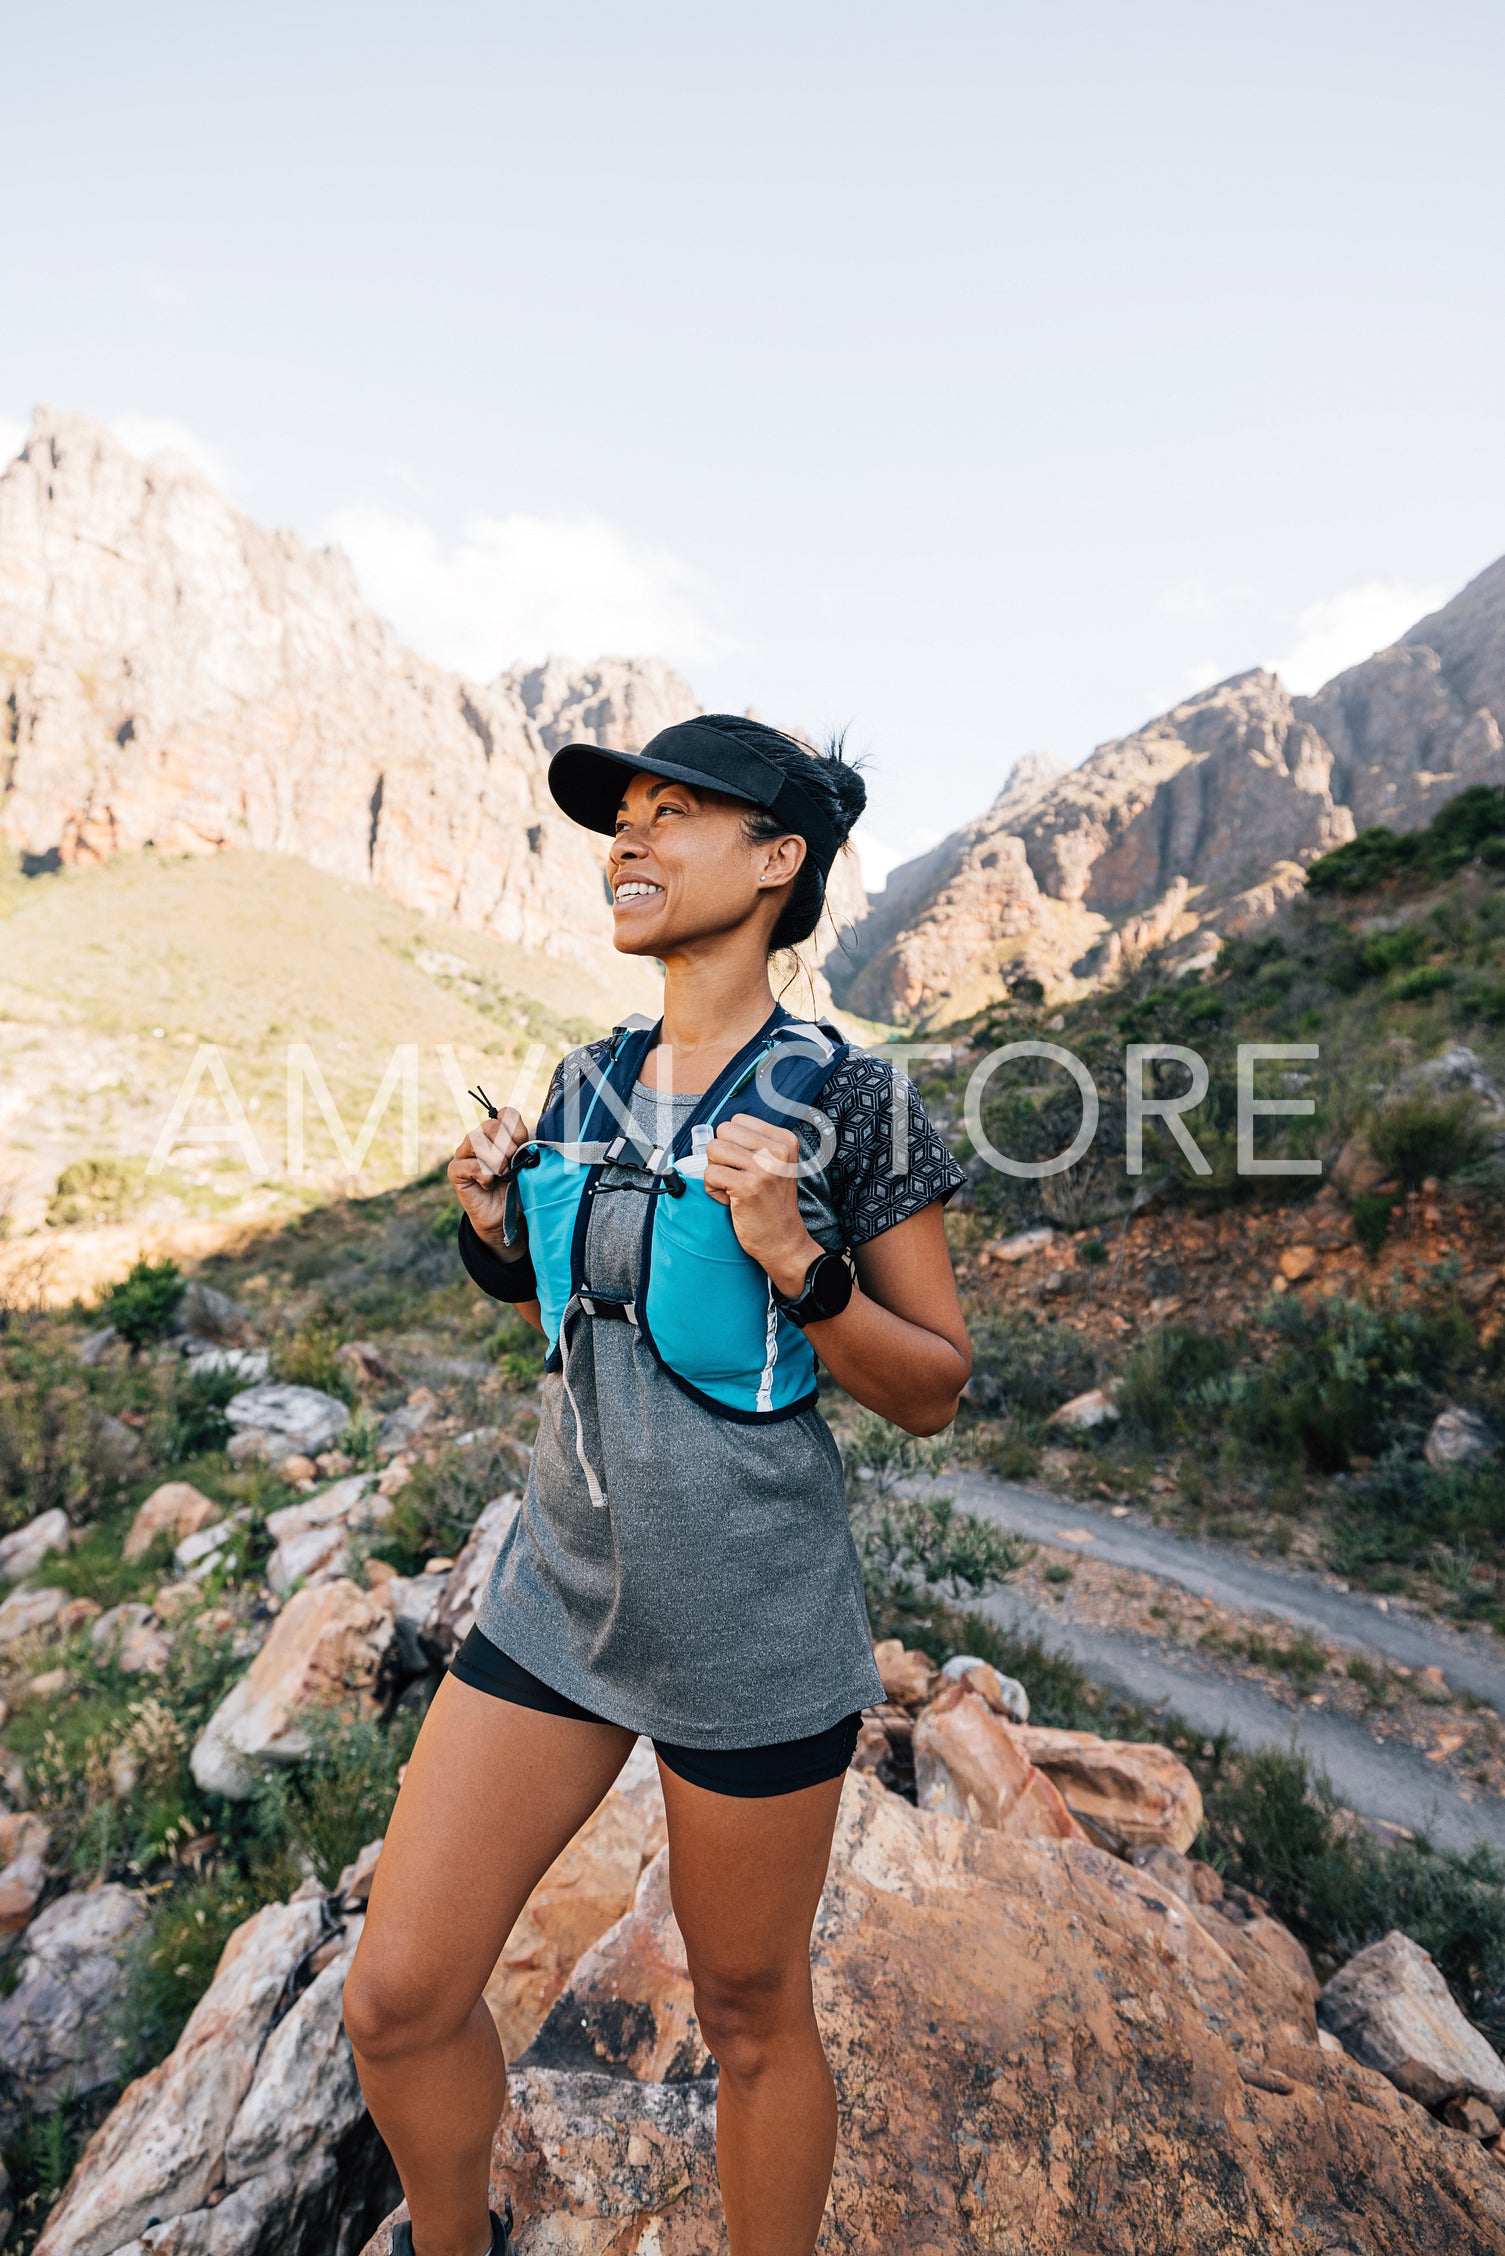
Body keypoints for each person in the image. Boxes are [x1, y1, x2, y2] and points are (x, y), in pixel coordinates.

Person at [344, 715, 973, 2256]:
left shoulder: (852, 1097)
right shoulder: (584, 1076)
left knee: (750, 2015)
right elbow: (572, 1311)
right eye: (619, 816)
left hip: (749, 1626)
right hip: (559, 1600)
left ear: (777, 863)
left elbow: (934, 1389)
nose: (626, 840)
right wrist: (493, 1224)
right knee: (398, 1999)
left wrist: (799, 1266)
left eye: (672, 813)